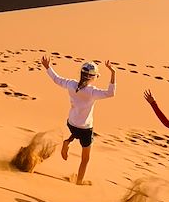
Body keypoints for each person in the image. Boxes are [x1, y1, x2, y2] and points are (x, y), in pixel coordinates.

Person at [40, 55, 117, 185]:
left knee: (75, 133)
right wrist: (113, 73)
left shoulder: (71, 84)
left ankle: (68, 141)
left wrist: (48, 67)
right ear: (93, 77)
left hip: (71, 123)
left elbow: (56, 79)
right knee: (85, 158)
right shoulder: (92, 91)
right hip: (85, 128)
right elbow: (111, 93)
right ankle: (79, 182)